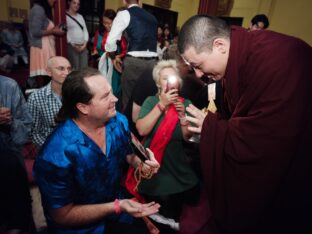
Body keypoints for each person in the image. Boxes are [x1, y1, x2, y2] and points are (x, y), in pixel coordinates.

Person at [177, 15, 312, 234]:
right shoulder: (238, 58)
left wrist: (210, 127)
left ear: (219, 45)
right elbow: (240, 117)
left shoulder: (277, 59)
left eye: (198, 65)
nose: (199, 75)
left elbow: (267, 140)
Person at [33, 67, 160, 233]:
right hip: (80, 228)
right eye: (105, 96)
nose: (115, 98)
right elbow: (62, 215)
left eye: (111, 92)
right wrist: (116, 206)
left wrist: (144, 166)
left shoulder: (118, 121)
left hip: (119, 210)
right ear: (83, 108)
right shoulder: (55, 155)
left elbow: (128, 155)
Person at [134, 60, 199, 233]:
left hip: (177, 164)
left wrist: (182, 115)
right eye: (164, 78)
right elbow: (141, 129)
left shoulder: (185, 103)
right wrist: (162, 104)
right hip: (155, 165)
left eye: (172, 77)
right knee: (162, 214)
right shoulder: (151, 101)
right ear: (158, 83)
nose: (169, 81)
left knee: (187, 205)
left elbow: (187, 137)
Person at [105, 0, 158, 110]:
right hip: (153, 64)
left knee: (128, 100)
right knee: (147, 100)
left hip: (134, 63)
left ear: (124, 1)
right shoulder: (152, 18)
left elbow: (110, 42)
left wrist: (113, 57)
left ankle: (128, 125)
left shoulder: (124, 14)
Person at [0, 75, 32, 233]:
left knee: (18, 218)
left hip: (10, 167)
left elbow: (26, 130)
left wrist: (10, 121)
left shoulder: (9, 86)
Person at [28, 56, 71, 149]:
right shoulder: (36, 98)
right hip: (49, 150)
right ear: (49, 72)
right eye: (61, 69)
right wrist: (51, 148)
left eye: (69, 69)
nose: (67, 73)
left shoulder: (77, 93)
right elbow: (34, 132)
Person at [94, 9, 127, 111]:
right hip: (102, 64)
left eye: (109, 23)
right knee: (102, 88)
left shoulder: (120, 35)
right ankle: (103, 110)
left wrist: (117, 56)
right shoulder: (99, 33)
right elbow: (96, 47)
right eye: (104, 23)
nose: (107, 25)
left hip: (114, 65)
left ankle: (114, 111)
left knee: (114, 89)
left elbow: (125, 50)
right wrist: (97, 54)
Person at [28, 0, 65, 88]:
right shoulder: (38, 9)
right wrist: (53, 31)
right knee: (45, 77)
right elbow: (35, 32)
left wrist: (55, 30)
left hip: (46, 47)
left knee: (47, 77)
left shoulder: (43, 10)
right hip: (41, 48)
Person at [66, 0, 89, 71]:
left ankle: (82, 82)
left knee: (84, 69)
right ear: (69, 2)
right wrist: (73, 45)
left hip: (83, 46)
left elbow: (85, 30)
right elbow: (66, 32)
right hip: (72, 47)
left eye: (78, 4)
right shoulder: (64, 16)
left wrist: (85, 44)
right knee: (74, 70)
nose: (76, 5)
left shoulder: (80, 16)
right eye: (74, 3)